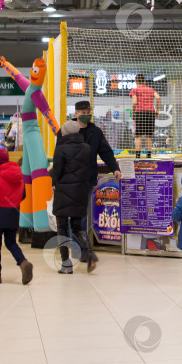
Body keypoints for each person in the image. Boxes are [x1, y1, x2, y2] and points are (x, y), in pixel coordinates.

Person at [68, 101, 122, 262]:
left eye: (88, 111)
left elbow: (105, 152)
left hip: (87, 179)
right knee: (73, 216)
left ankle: (82, 251)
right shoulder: (67, 130)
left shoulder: (95, 132)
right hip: (70, 180)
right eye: (83, 111)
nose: (86, 114)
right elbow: (59, 156)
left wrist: (115, 168)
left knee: (82, 216)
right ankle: (76, 250)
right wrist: (55, 181)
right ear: (76, 113)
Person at [0, 148, 33, 284]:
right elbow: (23, 195)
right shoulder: (18, 175)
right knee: (10, 242)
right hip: (13, 214)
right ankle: (23, 262)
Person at [52, 121, 96, 274]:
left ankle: (66, 264)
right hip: (80, 192)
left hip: (63, 192)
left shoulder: (60, 149)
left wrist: (49, 171)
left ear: (64, 133)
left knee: (62, 227)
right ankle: (89, 253)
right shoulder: (86, 148)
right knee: (77, 226)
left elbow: (57, 172)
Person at [130, 74, 161, 158]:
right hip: (150, 113)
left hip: (140, 113)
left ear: (135, 81)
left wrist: (133, 113)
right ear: (145, 81)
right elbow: (158, 98)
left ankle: (137, 156)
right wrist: (157, 111)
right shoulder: (151, 90)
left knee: (139, 136)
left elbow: (134, 102)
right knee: (148, 135)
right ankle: (148, 155)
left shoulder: (134, 90)